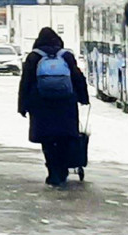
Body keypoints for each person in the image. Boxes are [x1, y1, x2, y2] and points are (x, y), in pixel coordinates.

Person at [17, 25, 89, 187]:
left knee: (48, 140)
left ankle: (53, 171)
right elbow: (78, 77)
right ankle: (63, 169)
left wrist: (23, 105)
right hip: (66, 104)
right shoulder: (66, 56)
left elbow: (25, 82)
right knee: (64, 137)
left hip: (41, 105)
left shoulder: (34, 57)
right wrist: (83, 98)